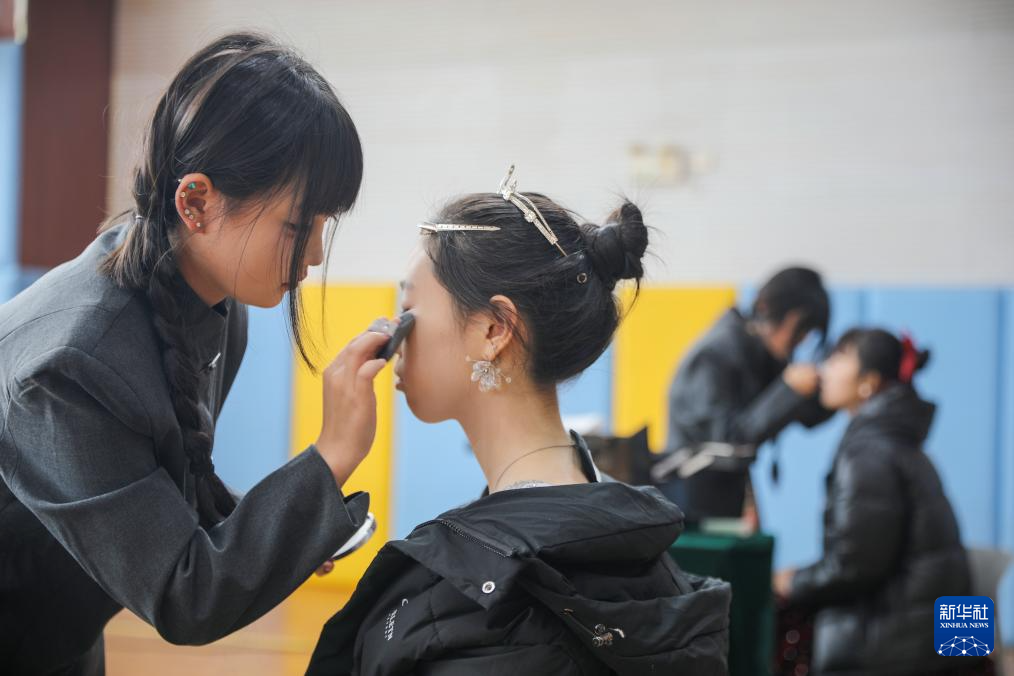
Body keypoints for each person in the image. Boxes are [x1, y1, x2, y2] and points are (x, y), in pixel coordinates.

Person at [0, 33, 394, 675]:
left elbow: (162, 485)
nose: (316, 255)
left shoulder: (214, 305)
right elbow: (185, 596)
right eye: (299, 226)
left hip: (57, 633)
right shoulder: (70, 366)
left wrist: (286, 528)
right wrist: (333, 453)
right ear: (196, 202)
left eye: (325, 225)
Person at [306, 167, 732, 675]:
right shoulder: (648, 559)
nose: (392, 338)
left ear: (493, 329)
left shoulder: (470, 606)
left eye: (408, 312)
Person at [773, 329, 975, 676]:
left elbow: (857, 567)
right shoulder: (896, 443)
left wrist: (793, 582)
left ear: (868, 382)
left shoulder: (868, 453)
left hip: (906, 651)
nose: (825, 369)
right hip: (945, 640)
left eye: (838, 358)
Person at [658, 267, 834, 521]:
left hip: (725, 497)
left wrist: (829, 380)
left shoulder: (758, 354)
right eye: (800, 327)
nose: (803, 340)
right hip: (690, 507)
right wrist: (788, 390)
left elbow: (808, 416)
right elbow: (726, 442)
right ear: (772, 311)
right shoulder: (715, 356)